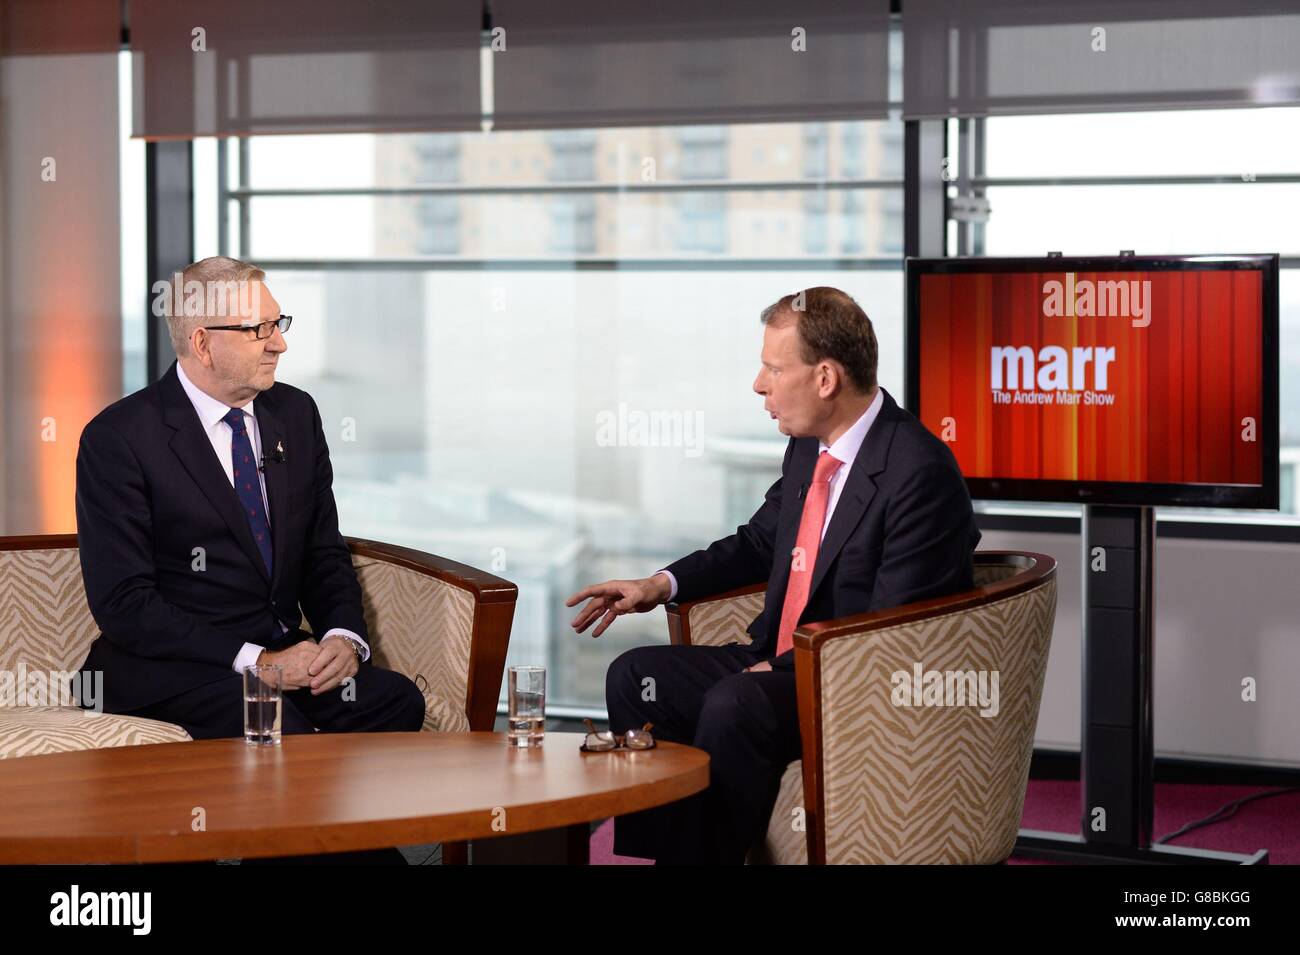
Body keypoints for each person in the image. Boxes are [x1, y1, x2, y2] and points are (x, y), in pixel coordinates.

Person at [566, 286, 981, 864]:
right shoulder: (810, 447)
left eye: (772, 368)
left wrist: (783, 667)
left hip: (850, 681)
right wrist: (659, 585)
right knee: (634, 675)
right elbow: (759, 542)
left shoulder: (919, 473)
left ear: (826, 379)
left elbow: (889, 631)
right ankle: (673, 855)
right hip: (780, 661)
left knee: (736, 703)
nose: (759, 385)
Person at [73, 256, 425, 743]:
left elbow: (323, 550)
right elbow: (125, 604)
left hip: (279, 650)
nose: (279, 343)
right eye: (259, 330)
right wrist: (259, 662)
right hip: (176, 667)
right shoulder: (119, 438)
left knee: (396, 700)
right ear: (203, 343)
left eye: (278, 323)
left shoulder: (296, 413)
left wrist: (343, 637)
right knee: (278, 725)